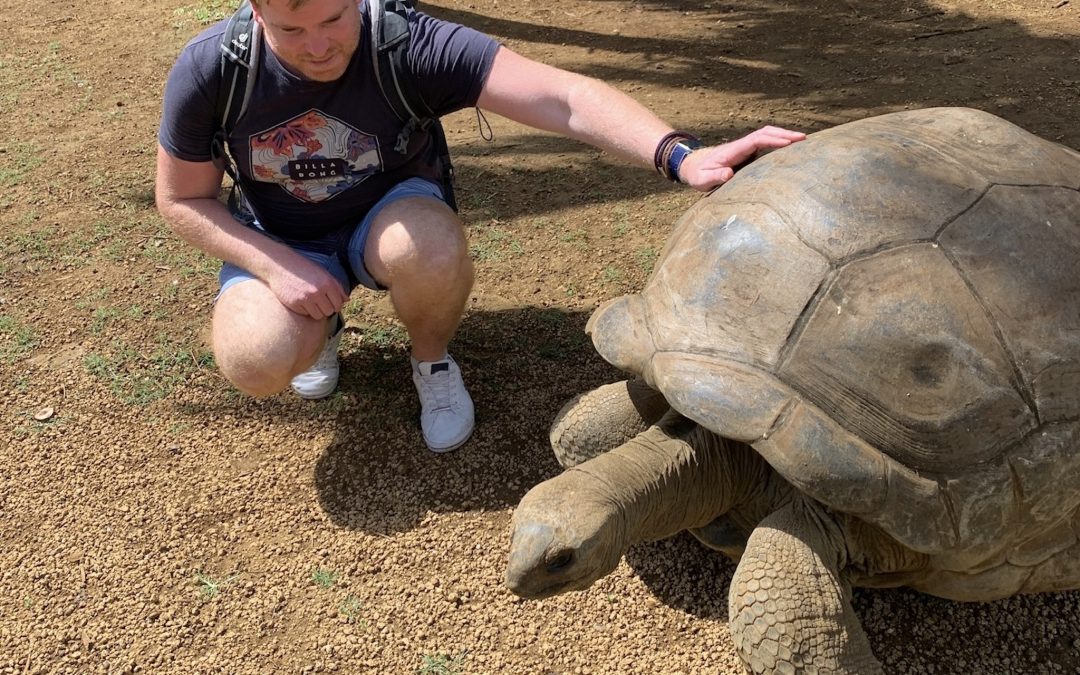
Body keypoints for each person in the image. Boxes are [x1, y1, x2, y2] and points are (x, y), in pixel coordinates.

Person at [155, 0, 805, 453]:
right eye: (294, 30)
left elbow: (563, 98)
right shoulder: (214, 68)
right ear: (256, 9)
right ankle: (316, 325)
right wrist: (276, 265)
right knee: (255, 359)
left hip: (394, 216)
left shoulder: (403, 43)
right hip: (282, 235)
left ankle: (432, 361)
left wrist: (679, 154)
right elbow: (181, 199)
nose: (321, 45)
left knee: (428, 249)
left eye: (334, 18)